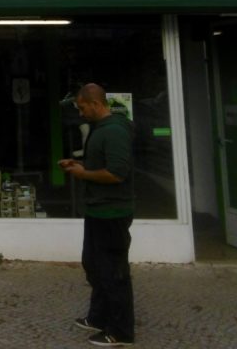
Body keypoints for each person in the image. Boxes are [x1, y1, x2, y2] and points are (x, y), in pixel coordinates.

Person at [58, 83, 135, 347]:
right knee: (93, 265)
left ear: (95, 103)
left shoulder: (114, 131)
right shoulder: (101, 129)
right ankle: (98, 317)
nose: (80, 113)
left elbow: (116, 173)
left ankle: (120, 330)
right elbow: (101, 165)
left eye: (82, 108)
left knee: (114, 272)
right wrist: (79, 164)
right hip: (97, 210)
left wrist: (84, 174)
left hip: (112, 212)